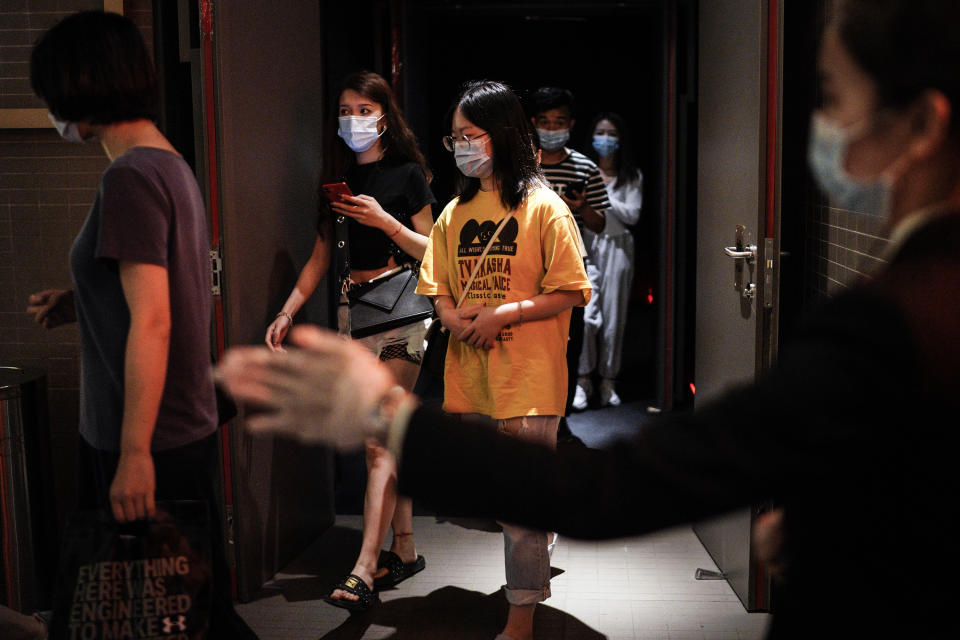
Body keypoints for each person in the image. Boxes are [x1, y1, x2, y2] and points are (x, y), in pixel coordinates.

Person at [215, 0, 960, 636]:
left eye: (833, 94)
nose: (821, 122)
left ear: (923, 123)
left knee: (527, 501)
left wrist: (387, 415)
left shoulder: (895, 323)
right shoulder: (907, 306)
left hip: (529, 372)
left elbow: (616, 488)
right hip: (477, 371)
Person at [26, 10, 258, 639]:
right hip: (175, 425)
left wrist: (133, 454)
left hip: (148, 434)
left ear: (79, 85)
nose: (50, 107)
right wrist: (80, 300)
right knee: (184, 609)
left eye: (49, 92)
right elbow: (158, 295)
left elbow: (154, 321)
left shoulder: (129, 176)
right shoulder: (167, 163)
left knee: (163, 616)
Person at [414, 80, 590, 640]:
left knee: (517, 510)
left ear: (503, 135)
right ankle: (544, 532)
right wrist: (448, 315)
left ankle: (520, 620)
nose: (462, 146)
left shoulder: (545, 208)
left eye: (472, 135)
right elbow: (436, 281)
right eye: (456, 137)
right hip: (471, 375)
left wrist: (502, 314)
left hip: (528, 376)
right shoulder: (456, 210)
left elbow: (570, 291)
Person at [263, 70, 435, 611]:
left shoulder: (408, 174)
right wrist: (288, 311)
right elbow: (321, 253)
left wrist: (385, 221)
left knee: (378, 440)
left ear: (385, 114)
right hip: (351, 316)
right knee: (386, 439)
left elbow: (433, 249)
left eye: (363, 109)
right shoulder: (337, 178)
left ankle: (363, 568)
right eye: (344, 110)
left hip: (403, 311)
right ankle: (403, 548)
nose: (352, 119)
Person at [526, 87, 610, 429]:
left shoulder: (585, 167)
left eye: (558, 121)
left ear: (571, 124)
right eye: (544, 122)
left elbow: (600, 223)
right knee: (531, 347)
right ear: (534, 123)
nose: (551, 128)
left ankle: (560, 421)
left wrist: (581, 207)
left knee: (568, 347)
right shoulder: (524, 166)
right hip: (529, 269)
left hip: (570, 271)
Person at [574, 112, 643, 409]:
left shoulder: (631, 175)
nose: (605, 139)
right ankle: (583, 380)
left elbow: (632, 215)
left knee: (614, 320)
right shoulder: (584, 170)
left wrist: (601, 193)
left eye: (611, 133)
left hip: (619, 247)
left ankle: (608, 382)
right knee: (588, 317)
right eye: (600, 132)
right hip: (589, 245)